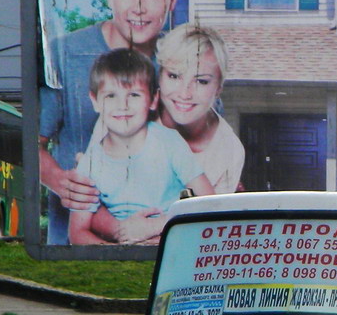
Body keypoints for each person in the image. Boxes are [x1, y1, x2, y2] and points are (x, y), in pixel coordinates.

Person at [39, 0, 179, 245]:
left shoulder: (182, 60)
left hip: (164, 244)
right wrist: (57, 179)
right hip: (77, 250)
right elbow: (29, 144)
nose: (138, 7)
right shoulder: (64, 54)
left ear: (171, 0)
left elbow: (205, 151)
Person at [93, 23, 245, 244]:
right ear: (160, 75)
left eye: (201, 81)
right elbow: (86, 203)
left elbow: (210, 223)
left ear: (219, 88)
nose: (185, 93)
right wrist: (123, 231)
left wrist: (155, 228)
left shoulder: (229, 151)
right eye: (174, 76)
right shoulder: (121, 113)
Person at [67, 49, 214, 245]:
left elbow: (211, 203)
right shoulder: (89, 162)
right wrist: (116, 252)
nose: (123, 105)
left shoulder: (169, 142)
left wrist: (156, 226)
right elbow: (77, 233)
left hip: (171, 242)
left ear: (153, 100)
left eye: (134, 95)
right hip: (121, 253)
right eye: (111, 96)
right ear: (95, 101)